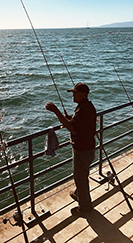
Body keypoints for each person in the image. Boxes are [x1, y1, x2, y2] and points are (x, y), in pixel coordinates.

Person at [45, 82, 96, 214]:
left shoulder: (83, 109)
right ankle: (79, 194)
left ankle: (85, 207)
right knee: (81, 175)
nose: (72, 95)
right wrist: (70, 119)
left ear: (83, 94)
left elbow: (71, 127)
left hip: (82, 149)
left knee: (80, 178)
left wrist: (56, 111)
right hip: (88, 147)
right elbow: (78, 124)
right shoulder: (87, 106)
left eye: (75, 92)